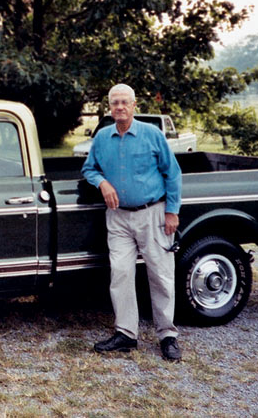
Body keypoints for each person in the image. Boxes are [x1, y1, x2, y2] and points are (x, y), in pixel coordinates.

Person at [81, 83, 183, 361]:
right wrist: (102, 182)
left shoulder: (151, 135)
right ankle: (126, 333)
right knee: (121, 274)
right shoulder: (102, 138)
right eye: (115, 103)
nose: (120, 107)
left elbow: (172, 173)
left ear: (134, 105)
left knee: (161, 275)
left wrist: (172, 211)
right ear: (110, 107)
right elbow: (89, 168)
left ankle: (167, 335)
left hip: (153, 214)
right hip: (118, 217)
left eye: (125, 102)